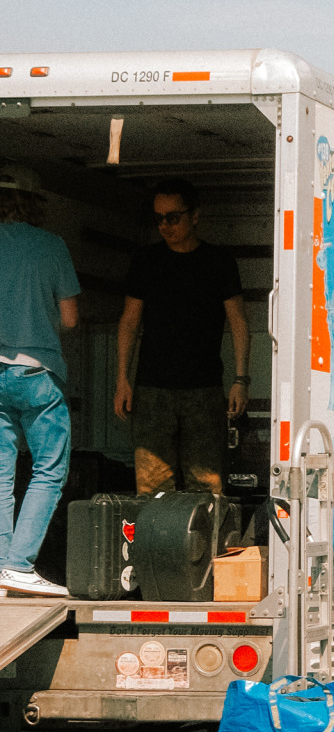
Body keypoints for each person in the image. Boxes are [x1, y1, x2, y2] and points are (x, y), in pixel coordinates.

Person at [115, 179, 248, 497]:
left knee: (207, 483)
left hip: (203, 390)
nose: (165, 225)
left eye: (173, 217)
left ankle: (203, 547)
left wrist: (241, 379)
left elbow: (239, 322)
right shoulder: (146, 260)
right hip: (151, 390)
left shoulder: (219, 262)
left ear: (195, 216)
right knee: (151, 485)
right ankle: (157, 546)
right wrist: (122, 379)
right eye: (158, 218)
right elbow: (129, 321)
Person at [0, 168, 80, 599]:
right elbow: (69, 318)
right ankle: (17, 564)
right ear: (32, 205)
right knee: (49, 469)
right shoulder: (51, 246)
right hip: (36, 372)